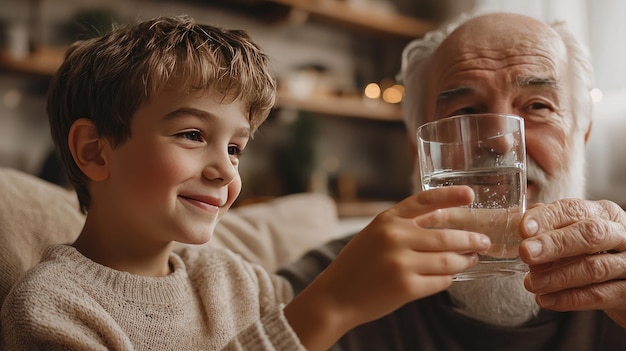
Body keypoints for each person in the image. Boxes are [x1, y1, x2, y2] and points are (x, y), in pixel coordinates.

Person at [0, 15, 494, 351]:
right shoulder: (51, 310)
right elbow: (306, 326)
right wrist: (326, 308)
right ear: (95, 150)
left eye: (235, 147)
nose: (226, 170)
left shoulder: (237, 280)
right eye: (193, 135)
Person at [278, 12, 626, 350]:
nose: (502, 141)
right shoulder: (333, 279)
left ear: (582, 137)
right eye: (465, 113)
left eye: (537, 106)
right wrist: (328, 308)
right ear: (419, 150)